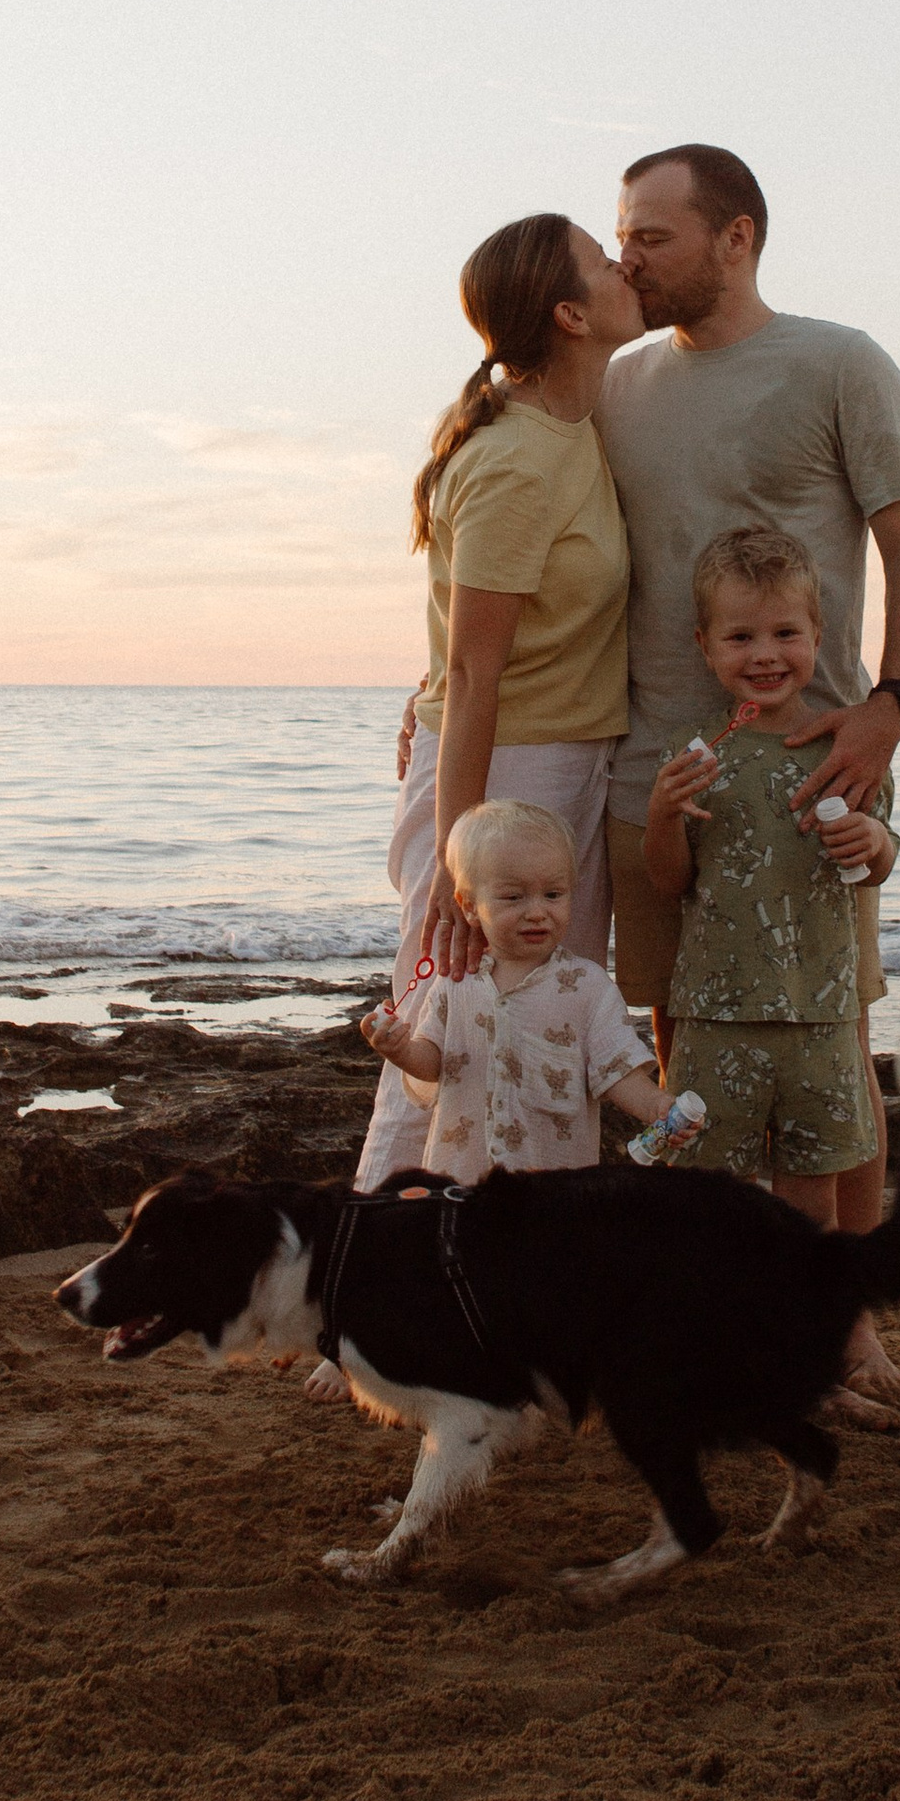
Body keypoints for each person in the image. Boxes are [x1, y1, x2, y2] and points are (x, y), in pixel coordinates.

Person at [602, 142, 900, 1405]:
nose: (628, 256)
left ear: (734, 236)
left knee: (831, 1048)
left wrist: (890, 707)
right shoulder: (620, 384)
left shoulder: (838, 362)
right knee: (685, 1056)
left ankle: (841, 1328)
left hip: (816, 768)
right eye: (623, 236)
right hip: (659, 773)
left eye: (651, 235)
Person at [357, 210, 644, 1194]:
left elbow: (463, 648)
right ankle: (357, 1306)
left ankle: (501, 1283)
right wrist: (453, 858)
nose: (625, 264)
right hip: (500, 776)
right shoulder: (519, 461)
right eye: (605, 261)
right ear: (570, 314)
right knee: (446, 1024)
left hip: (559, 761)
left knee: (538, 1034)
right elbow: (475, 673)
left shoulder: (573, 430)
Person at [641, 527, 898, 1206]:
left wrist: (873, 841)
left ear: (818, 635)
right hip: (714, 1017)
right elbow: (669, 883)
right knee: (703, 1197)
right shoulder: (690, 757)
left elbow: (878, 866)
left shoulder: (849, 751)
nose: (765, 655)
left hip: (823, 1017)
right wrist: (665, 814)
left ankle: (801, 1314)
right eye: (740, 637)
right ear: (705, 645)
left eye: (786, 633)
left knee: (811, 1194)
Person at [360, 799, 686, 1185]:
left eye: (553, 895)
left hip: (552, 1191)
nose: (536, 912)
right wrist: (398, 1050)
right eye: (513, 898)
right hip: (463, 1180)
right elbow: (432, 1063)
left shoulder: (587, 987)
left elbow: (616, 1071)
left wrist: (656, 1106)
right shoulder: (455, 982)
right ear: (469, 906)